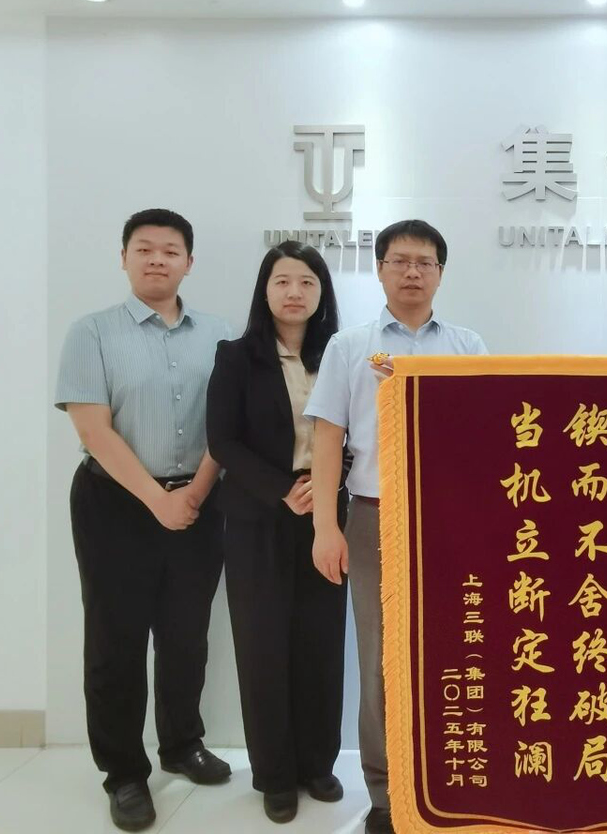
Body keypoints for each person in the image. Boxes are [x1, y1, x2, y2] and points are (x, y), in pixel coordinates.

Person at [305, 220, 488, 834]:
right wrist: (324, 526)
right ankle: (386, 795)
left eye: (425, 262)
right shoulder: (349, 346)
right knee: (382, 659)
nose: (413, 272)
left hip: (450, 521)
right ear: (380, 269)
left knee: (456, 650)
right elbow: (327, 438)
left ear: (440, 273)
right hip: (374, 517)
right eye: (400, 260)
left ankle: (448, 779)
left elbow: (487, 434)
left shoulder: (467, 347)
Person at [55, 208, 233, 832]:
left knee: (186, 635)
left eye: (171, 250)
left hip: (200, 502)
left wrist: (194, 493)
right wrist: (158, 499)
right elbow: (93, 430)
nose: (158, 259)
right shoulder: (92, 332)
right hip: (114, 504)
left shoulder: (221, 334)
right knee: (116, 640)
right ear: (124, 257)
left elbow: (228, 424)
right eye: (145, 248)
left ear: (189, 261)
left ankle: (181, 744)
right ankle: (124, 772)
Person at [206, 242, 346, 823]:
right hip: (258, 518)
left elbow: (360, 431)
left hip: (327, 517)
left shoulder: (341, 353)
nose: (295, 292)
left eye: (307, 282)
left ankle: (317, 763)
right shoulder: (237, 356)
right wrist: (282, 489)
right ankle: (275, 774)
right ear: (265, 290)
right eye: (283, 281)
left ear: (321, 293)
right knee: (263, 646)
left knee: (321, 643)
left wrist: (329, 487)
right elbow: (223, 440)